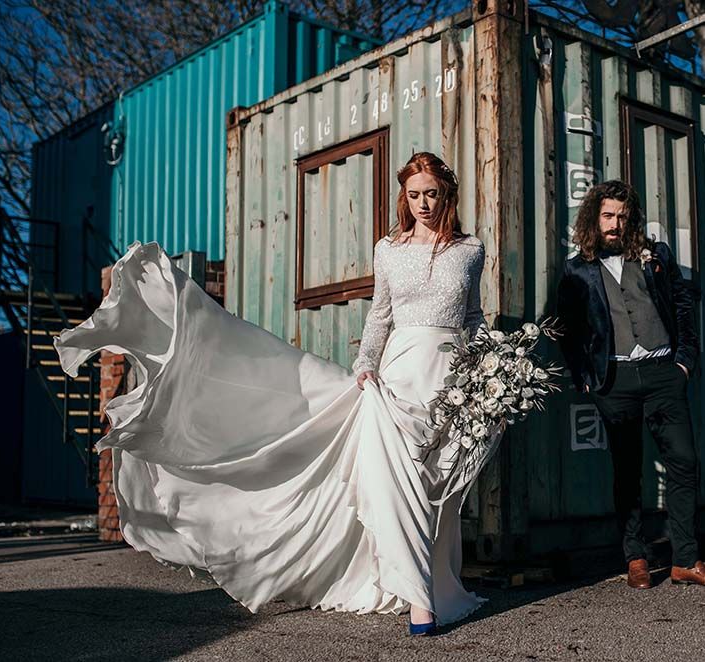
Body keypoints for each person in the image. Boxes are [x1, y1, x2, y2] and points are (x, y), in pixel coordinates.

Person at [54, 152, 501, 636]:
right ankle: (419, 601)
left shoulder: (469, 249)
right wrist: (366, 364)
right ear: (403, 196)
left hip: (452, 380)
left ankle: (434, 583)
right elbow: (381, 315)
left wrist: (491, 364)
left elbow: (473, 316)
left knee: (439, 491)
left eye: (431, 194)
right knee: (397, 483)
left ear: (446, 193)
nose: (422, 204)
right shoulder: (389, 249)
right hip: (395, 380)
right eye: (413, 195)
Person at [557, 180, 702, 589]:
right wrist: (585, 377)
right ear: (594, 218)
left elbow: (682, 304)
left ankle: (685, 559)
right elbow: (567, 329)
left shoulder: (655, 256)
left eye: (622, 216)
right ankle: (635, 556)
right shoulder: (577, 268)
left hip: (662, 373)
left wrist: (684, 362)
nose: (615, 224)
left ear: (630, 218)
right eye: (607, 215)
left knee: (684, 461)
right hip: (614, 378)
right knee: (627, 470)